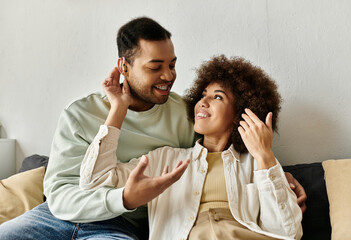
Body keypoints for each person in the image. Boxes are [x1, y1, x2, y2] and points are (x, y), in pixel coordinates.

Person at [0, 17, 305, 240]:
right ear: (124, 67)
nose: (168, 75)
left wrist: (272, 168)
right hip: (58, 216)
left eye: (172, 64)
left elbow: (223, 153)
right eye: (155, 66)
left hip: (121, 227)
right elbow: (67, 193)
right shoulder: (81, 115)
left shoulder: (185, 117)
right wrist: (117, 113)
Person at [80, 55, 303, 240]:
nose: (203, 102)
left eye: (217, 97)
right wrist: (119, 108)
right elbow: (94, 180)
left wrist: (265, 157)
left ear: (240, 114)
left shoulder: (259, 165)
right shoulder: (165, 159)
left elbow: (288, 232)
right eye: (203, 94)